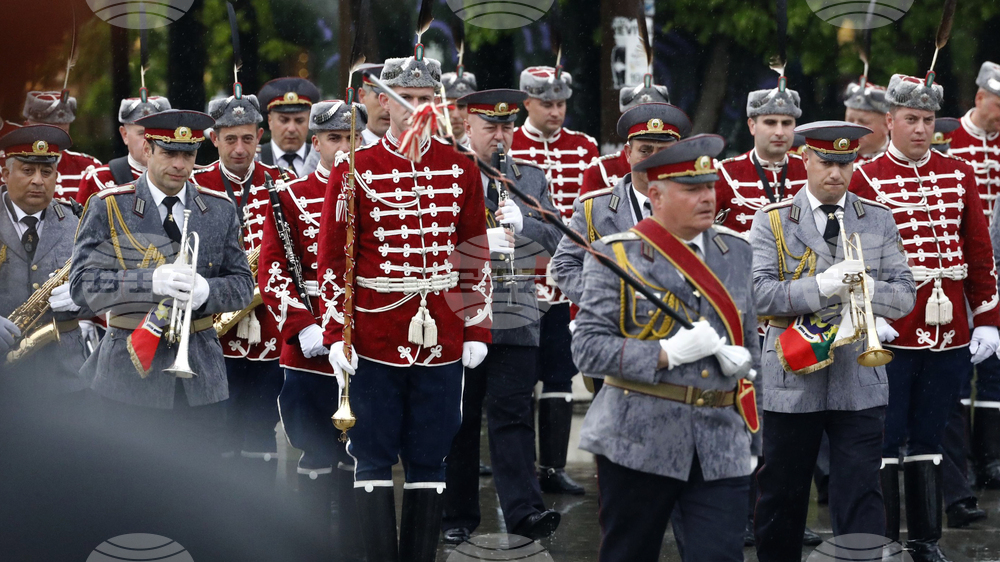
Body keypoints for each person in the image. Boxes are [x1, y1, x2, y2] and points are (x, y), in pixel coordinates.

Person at [316, 49, 492, 562]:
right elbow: (332, 261)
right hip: (373, 333)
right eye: (404, 99)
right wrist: (335, 335)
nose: (415, 108)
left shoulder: (461, 169)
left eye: (423, 98)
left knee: (430, 452)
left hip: (441, 334)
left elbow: (472, 254)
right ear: (382, 104)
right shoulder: (354, 168)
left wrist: (476, 329)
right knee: (370, 453)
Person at [574, 134, 757, 562]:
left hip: (721, 440)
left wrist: (754, 436)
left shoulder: (738, 253)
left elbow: (750, 353)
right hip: (637, 436)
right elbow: (587, 349)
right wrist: (665, 354)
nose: (707, 197)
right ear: (654, 194)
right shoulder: (616, 256)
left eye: (709, 187)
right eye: (691, 189)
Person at [850, 73, 1000, 562]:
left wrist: (988, 319)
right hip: (895, 327)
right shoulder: (865, 177)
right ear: (888, 121)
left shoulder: (958, 173)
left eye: (927, 120)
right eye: (910, 119)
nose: (919, 129)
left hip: (951, 328)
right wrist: (872, 315)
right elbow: (851, 258)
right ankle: (887, 539)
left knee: (932, 435)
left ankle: (925, 540)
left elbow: (979, 253)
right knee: (887, 436)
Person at [750, 121, 916, 561]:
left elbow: (904, 296)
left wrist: (867, 288)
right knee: (782, 497)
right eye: (826, 163)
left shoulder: (877, 217)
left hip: (858, 375)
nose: (836, 174)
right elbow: (758, 294)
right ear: (805, 159)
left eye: (846, 163)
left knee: (861, 494)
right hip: (793, 373)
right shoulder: (772, 220)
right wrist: (821, 284)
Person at [69, 109, 254, 455]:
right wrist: (150, 281)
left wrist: (206, 291)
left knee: (197, 492)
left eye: (188, 155)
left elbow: (243, 286)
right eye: (170, 153)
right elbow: (82, 285)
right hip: (127, 374)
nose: (180, 165)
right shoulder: (110, 206)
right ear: (149, 149)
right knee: (130, 491)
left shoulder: (219, 209)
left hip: (200, 375)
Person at [441, 89, 563, 545]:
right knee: (461, 417)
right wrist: (478, 237)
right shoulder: (449, 172)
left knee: (513, 416)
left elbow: (555, 238)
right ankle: (457, 513)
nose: (500, 135)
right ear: (467, 126)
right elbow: (427, 240)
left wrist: (526, 224)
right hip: (461, 308)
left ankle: (525, 513)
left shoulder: (529, 178)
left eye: (506, 126)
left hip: (515, 310)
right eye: (490, 127)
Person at [258, 99, 365, 561]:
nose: (343, 149)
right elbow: (272, 269)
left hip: (365, 342)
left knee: (363, 454)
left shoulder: (377, 189)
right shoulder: (289, 194)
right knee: (315, 450)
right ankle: (311, 547)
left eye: (350, 139)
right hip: (310, 344)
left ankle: (359, 547)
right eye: (334, 139)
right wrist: (301, 325)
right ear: (315, 141)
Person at [510, 63, 599, 495]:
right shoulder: (512, 143)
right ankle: (521, 468)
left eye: (561, 103)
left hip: (565, 278)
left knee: (560, 375)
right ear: (527, 103)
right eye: (547, 104)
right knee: (521, 378)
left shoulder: (584, 146)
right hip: (524, 276)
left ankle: (554, 467)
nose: (556, 111)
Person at [191, 90, 288, 480]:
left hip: (268, 329)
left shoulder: (283, 182)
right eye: (230, 139)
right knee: (218, 428)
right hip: (214, 329)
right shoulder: (196, 185)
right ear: (214, 139)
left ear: (259, 137)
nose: (239, 148)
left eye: (247, 138)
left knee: (262, 429)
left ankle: (260, 520)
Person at [0, 125, 96, 396]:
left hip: (64, 375)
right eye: (27, 171)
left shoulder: (78, 221)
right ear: (6, 174)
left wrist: (83, 295)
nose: (38, 181)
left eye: (46, 172)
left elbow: (106, 285)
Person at [947, 61, 1000, 494]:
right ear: (980, 97)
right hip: (956, 262)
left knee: (996, 367)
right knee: (961, 365)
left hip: (994, 262)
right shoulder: (951, 139)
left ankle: (991, 458)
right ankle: (958, 462)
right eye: (998, 104)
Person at [714, 81, 808, 233]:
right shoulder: (726, 173)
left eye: (786, 123)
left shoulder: (809, 168)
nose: (779, 132)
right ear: (752, 126)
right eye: (770, 123)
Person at [579, 77, 670, 196]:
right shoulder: (601, 170)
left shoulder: (681, 170)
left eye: (656, 118)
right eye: (639, 119)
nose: (648, 125)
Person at [76, 95, 172, 205]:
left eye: (157, 134)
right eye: (142, 133)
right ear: (125, 135)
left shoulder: (187, 177)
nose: (150, 141)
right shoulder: (98, 179)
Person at [22, 90, 101, 202]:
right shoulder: (6, 165)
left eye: (63, 132)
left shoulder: (89, 168)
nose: (55, 140)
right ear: (27, 127)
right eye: (47, 132)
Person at [257, 77, 320, 176]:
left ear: (309, 121)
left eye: (299, 121)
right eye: (284, 120)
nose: (291, 129)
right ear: (270, 121)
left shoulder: (321, 160)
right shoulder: (254, 160)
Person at [844, 81, 891, 161]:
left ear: (886, 125)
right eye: (850, 120)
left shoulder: (902, 158)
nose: (854, 128)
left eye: (863, 122)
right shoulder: (832, 158)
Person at [441, 67, 477, 149]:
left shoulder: (484, 149)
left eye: (462, 106)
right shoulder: (424, 147)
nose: (456, 115)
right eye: (449, 106)